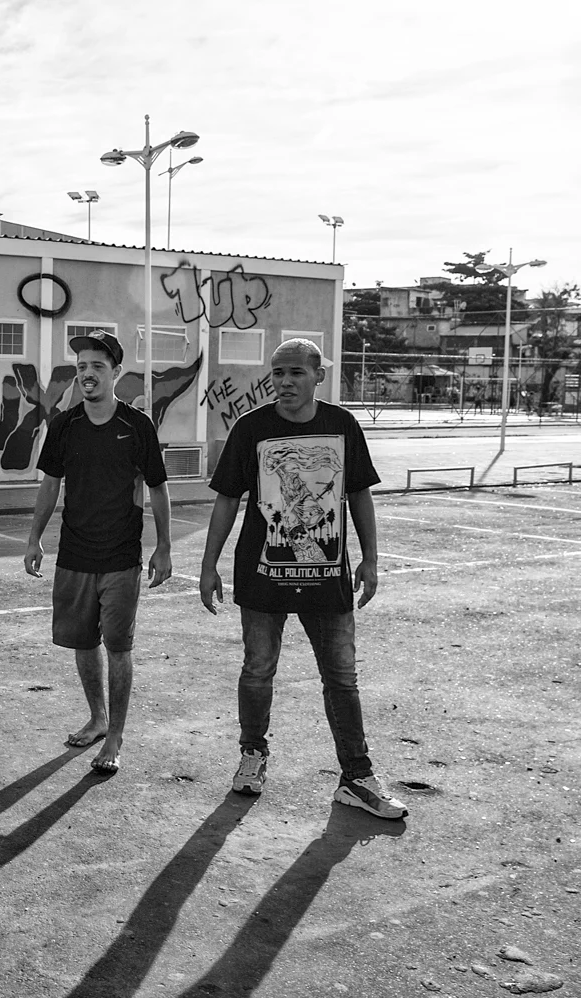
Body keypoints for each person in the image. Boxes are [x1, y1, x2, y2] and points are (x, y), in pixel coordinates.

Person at [199, 338, 407, 820]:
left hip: (326, 577)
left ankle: (356, 777)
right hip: (262, 575)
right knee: (257, 671)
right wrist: (208, 565)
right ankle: (253, 754)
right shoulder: (251, 428)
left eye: (295, 372)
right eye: (278, 373)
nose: (285, 381)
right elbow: (228, 499)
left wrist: (370, 559)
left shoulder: (341, 425)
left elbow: (358, 495)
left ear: (318, 376)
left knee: (341, 678)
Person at [23, 330, 172, 773]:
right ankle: (97, 718)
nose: (87, 374)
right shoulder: (65, 425)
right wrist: (35, 536)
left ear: (116, 374)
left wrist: (163, 547)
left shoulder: (137, 425)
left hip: (122, 556)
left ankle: (116, 738)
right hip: (74, 555)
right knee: (82, 642)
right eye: (82, 366)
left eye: (97, 367)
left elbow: (159, 488)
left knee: (118, 648)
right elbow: (51, 484)